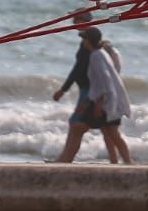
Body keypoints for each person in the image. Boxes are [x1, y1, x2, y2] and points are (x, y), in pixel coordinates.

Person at [50, 14, 124, 163]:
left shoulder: (93, 47)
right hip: (92, 91)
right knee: (106, 128)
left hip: (91, 91)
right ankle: (114, 161)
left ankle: (65, 159)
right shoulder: (90, 44)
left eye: (77, 21)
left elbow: (80, 70)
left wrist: (64, 90)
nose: (75, 24)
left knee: (77, 124)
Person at [83, 27, 132, 165]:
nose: (83, 42)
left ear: (89, 40)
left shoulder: (96, 56)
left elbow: (105, 80)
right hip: (111, 99)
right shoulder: (100, 53)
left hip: (108, 101)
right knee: (107, 131)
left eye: (85, 38)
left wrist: (99, 103)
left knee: (113, 133)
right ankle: (114, 162)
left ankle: (128, 162)